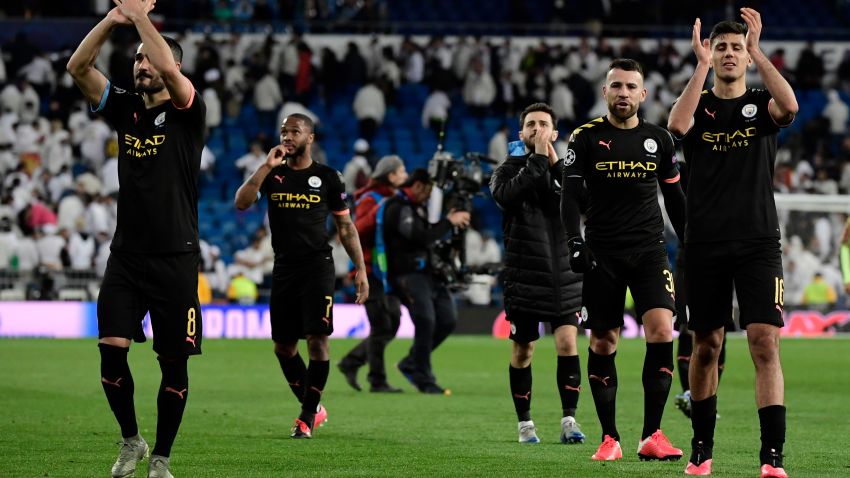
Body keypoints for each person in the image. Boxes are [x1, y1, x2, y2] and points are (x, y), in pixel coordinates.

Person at [66, 1, 205, 477]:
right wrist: (113, 18)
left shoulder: (190, 112)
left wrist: (142, 17)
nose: (143, 64)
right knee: (110, 354)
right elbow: (77, 66)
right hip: (126, 256)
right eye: (138, 58)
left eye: (151, 58)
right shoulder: (125, 109)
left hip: (176, 257)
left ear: (173, 65)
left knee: (174, 366)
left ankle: (162, 458)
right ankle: (132, 442)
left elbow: (167, 65)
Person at [667, 9, 798, 477]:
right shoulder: (698, 108)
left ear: (746, 56)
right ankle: (701, 451)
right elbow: (676, 127)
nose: (727, 53)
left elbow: (792, 108)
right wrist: (700, 65)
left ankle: (772, 458)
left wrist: (759, 51)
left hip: (759, 242)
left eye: (735, 47)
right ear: (711, 52)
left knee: (765, 343)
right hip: (704, 245)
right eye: (720, 46)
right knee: (707, 345)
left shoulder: (763, 104)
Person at [560, 58, 687, 462]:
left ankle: (652, 434)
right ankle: (609, 438)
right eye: (616, 86)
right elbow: (568, 198)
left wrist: (691, 242)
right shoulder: (584, 138)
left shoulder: (660, 139)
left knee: (662, 331)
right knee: (603, 340)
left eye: (631, 87)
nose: (624, 93)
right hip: (603, 255)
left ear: (643, 94)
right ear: (605, 92)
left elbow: (674, 198)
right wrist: (573, 242)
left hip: (650, 251)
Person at [234, 113, 369, 439]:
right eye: (284, 132)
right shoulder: (273, 175)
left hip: (317, 267)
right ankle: (314, 406)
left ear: (310, 138)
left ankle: (306, 416)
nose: (287, 137)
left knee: (317, 341)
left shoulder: (327, 177)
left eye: (295, 131)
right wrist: (265, 166)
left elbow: (345, 227)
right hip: (284, 268)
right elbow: (241, 202)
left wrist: (361, 268)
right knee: (283, 347)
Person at [489, 102, 586, 445]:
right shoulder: (505, 171)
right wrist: (539, 158)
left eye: (544, 124)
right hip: (525, 277)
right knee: (523, 351)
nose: (537, 129)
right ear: (521, 133)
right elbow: (508, 197)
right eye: (531, 125)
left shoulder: (567, 170)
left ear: (555, 133)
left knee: (567, 342)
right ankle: (525, 424)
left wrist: (555, 162)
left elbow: (583, 202)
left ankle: (569, 420)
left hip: (564, 276)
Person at [382, 168, 470, 394]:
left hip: (429, 274)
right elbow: (419, 237)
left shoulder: (416, 207)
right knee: (425, 321)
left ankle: (411, 362)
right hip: (407, 274)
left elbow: (428, 235)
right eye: (428, 190)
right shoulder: (398, 207)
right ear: (418, 185)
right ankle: (423, 377)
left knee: (448, 319)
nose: (430, 196)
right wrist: (448, 222)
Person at [337, 155, 408, 393]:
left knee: (392, 321)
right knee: (381, 325)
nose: (405, 176)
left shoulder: (394, 199)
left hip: (387, 272)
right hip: (369, 271)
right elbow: (358, 230)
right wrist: (383, 209)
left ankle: (351, 362)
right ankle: (377, 380)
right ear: (390, 175)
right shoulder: (372, 199)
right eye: (401, 171)